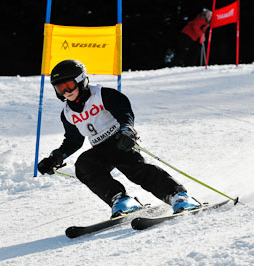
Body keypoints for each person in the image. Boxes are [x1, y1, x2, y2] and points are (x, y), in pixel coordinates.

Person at [37, 59, 200, 218]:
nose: (66, 92)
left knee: (135, 170)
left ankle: (178, 196)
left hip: (120, 141)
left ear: (81, 81)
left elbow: (124, 113)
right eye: (60, 88)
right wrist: (55, 157)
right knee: (84, 165)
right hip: (100, 149)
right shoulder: (67, 114)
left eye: (69, 86)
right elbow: (74, 141)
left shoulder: (102, 95)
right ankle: (121, 199)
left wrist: (127, 130)